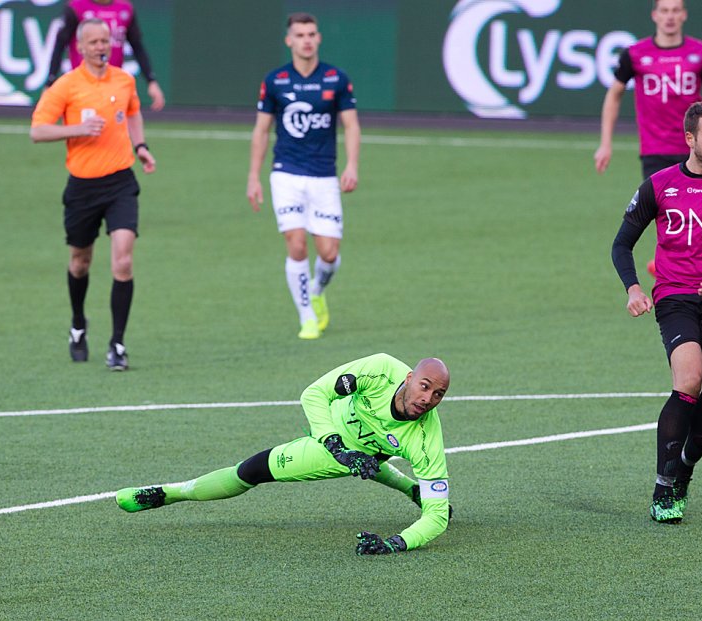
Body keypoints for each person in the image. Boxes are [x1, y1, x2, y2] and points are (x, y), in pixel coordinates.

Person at [115, 353, 453, 555]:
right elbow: (315, 393)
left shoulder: (427, 439)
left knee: (252, 472)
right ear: (410, 378)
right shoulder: (380, 369)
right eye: (424, 386)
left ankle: (170, 494)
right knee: (251, 470)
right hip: (328, 434)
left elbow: (437, 517)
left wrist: (396, 543)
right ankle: (172, 493)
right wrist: (335, 444)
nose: (428, 398)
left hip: (352, 453)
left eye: (438, 394)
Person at [610, 101, 702, 524]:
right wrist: (634, 288)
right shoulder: (659, 185)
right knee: (690, 379)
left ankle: (685, 470)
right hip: (675, 297)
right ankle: (663, 485)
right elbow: (621, 244)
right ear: (690, 138)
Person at [31, 18, 156, 371]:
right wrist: (78, 129)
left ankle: (117, 344)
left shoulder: (124, 80)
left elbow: (133, 114)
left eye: (106, 41)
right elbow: (37, 131)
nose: (102, 47)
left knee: (123, 260)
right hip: (83, 188)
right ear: (81, 48)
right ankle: (77, 324)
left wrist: (141, 145)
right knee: (80, 262)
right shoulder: (66, 86)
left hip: (120, 183)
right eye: (95, 42)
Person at [246, 12, 361, 340]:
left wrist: (351, 165)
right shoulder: (275, 80)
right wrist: (254, 176)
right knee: (296, 244)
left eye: (311, 34)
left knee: (329, 254)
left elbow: (351, 124)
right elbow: (261, 130)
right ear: (289, 40)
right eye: (300, 35)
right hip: (286, 174)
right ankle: (306, 316)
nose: (306, 40)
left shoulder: (336, 79)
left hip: (324, 176)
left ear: (319, 38)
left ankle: (316, 290)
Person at [594, 0, 702, 180]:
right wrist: (605, 143)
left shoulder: (701, 52)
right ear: (655, 15)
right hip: (654, 150)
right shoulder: (635, 53)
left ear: (684, 15)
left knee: (697, 205)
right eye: (664, 11)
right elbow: (614, 94)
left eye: (675, 10)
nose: (669, 16)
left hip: (693, 147)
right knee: (659, 207)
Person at [45, 0, 166, 111]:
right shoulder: (76, 7)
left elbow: (137, 46)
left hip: (113, 82)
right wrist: (50, 82)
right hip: (84, 81)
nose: (100, 46)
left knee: (116, 124)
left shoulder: (125, 9)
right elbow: (60, 45)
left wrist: (151, 81)